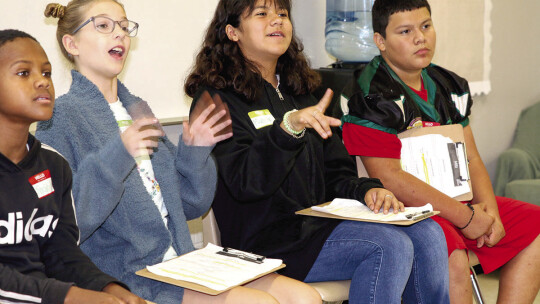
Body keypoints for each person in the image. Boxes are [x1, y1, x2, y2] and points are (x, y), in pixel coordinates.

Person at [36, 1, 321, 303]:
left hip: (181, 262)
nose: (119, 34)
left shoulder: (137, 109)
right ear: (72, 44)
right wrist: (118, 156)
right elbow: (70, 223)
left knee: (304, 297)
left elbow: (190, 205)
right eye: (104, 26)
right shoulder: (60, 119)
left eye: (123, 25)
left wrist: (195, 154)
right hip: (130, 273)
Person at [184, 0, 450, 303]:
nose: (277, 21)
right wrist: (286, 130)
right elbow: (245, 183)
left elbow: (337, 173)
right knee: (387, 245)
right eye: (262, 14)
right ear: (232, 32)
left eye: (282, 14)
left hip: (320, 227)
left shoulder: (303, 91)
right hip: (265, 241)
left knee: (427, 233)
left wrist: (368, 191)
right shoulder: (216, 100)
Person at [340, 0, 540, 303]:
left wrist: (489, 210)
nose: (420, 38)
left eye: (426, 26)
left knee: (535, 223)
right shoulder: (369, 93)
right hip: (405, 211)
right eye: (405, 31)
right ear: (380, 41)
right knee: (452, 257)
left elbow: (470, 156)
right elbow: (390, 179)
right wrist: (467, 218)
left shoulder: (449, 84)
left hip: (457, 200)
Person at [0, 29, 145, 304]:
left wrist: (109, 289)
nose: (42, 82)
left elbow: (61, 252)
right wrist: (69, 296)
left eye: (46, 73)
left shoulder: (54, 165)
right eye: (23, 73)